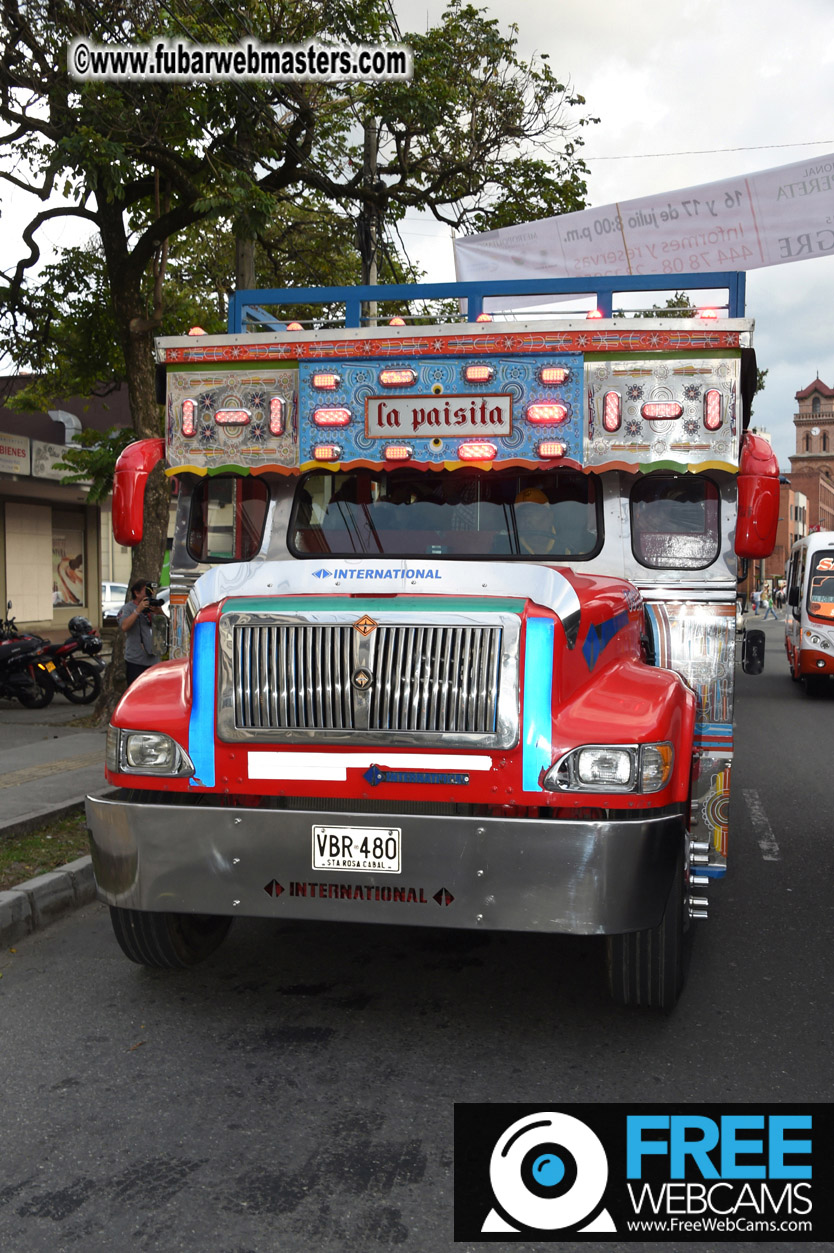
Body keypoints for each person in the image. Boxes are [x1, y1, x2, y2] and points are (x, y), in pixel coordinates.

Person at [118, 580, 162, 686]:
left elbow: (166, 626)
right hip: (136, 661)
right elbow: (124, 626)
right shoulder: (127, 609)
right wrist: (138, 610)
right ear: (136, 593)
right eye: (146, 591)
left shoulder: (152, 607)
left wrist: (160, 612)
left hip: (154, 660)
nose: (150, 594)